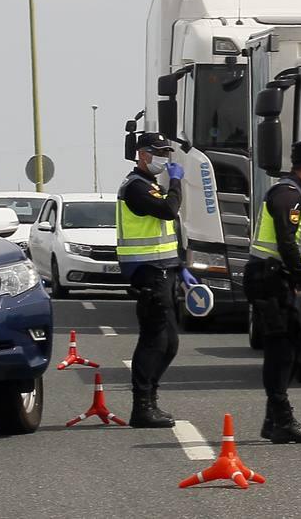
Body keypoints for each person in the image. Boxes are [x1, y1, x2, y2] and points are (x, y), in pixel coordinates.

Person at [244, 138, 301, 444]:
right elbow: (285, 241)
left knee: (294, 349)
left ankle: (274, 421)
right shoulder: (286, 194)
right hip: (270, 281)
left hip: (283, 280)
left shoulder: (299, 195)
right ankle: (281, 420)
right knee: (281, 350)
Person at [115, 132, 196, 428]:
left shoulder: (150, 185)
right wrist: (176, 182)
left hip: (165, 269)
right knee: (153, 341)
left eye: (166, 151)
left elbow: (168, 228)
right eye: (158, 151)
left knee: (170, 343)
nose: (164, 157)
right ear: (142, 155)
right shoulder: (136, 187)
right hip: (149, 272)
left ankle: (151, 399)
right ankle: (142, 406)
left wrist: (180, 265)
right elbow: (167, 210)